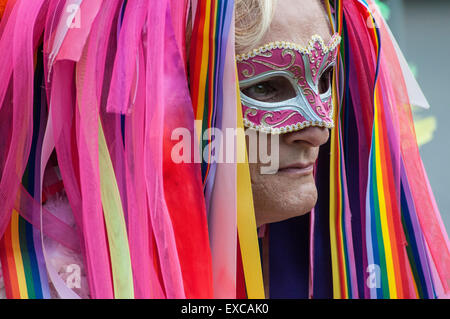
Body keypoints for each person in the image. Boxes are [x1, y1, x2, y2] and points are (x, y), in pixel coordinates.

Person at [0, 0, 448, 300]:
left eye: (326, 78)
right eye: (268, 86)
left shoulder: (324, 266)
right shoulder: (50, 282)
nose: (319, 133)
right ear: (160, 112)